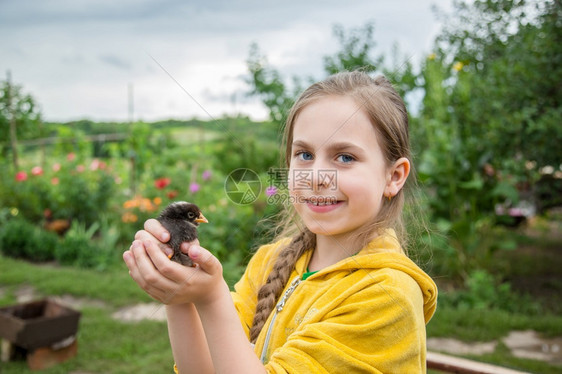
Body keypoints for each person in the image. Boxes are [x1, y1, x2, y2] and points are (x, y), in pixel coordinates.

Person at [123, 71, 438, 373]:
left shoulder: (386, 296)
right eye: (304, 155)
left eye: (345, 157)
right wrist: (178, 291)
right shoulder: (270, 262)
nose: (316, 177)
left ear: (393, 176)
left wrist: (211, 297)